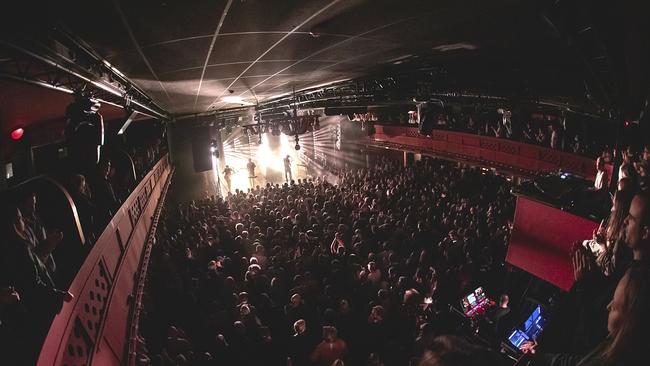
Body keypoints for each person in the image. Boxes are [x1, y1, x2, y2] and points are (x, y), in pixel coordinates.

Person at [521, 265, 650, 366]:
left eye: (615, 306)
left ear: (632, 322)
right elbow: (579, 362)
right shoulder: (611, 348)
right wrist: (544, 357)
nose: (608, 307)